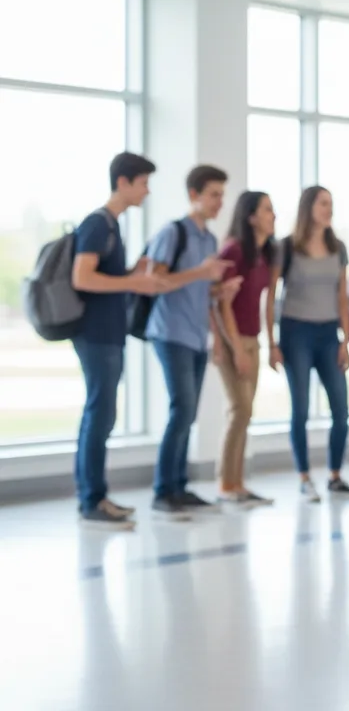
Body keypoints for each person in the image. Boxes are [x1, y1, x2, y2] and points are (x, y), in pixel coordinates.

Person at [69, 152, 170, 530]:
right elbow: (82, 277)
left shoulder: (112, 226)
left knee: (102, 415)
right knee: (100, 414)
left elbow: (106, 280)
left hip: (109, 333)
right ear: (123, 182)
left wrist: (131, 274)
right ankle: (91, 500)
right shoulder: (98, 224)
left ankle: (96, 495)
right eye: (143, 183)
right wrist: (133, 281)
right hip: (95, 335)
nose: (147, 191)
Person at [144, 165, 239, 518]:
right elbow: (154, 281)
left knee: (188, 413)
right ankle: (163, 490)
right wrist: (201, 272)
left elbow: (201, 292)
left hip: (197, 336)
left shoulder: (210, 241)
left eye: (221, 195)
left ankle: (179, 487)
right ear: (194, 195)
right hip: (171, 333)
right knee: (181, 409)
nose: (219, 202)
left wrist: (219, 292)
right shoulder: (173, 233)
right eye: (213, 194)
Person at [271, 185, 349, 503]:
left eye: (331, 204)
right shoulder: (287, 247)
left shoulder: (338, 247)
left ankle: (335, 476)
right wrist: (271, 342)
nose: (329, 209)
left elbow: (341, 296)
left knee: (341, 409)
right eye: (323, 203)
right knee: (300, 409)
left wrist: (345, 340)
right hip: (295, 332)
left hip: (328, 335)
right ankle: (304, 477)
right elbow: (271, 295)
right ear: (308, 207)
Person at [212, 190, 277, 507]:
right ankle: (226, 484)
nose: (273, 215)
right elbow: (220, 302)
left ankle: (238, 483)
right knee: (239, 409)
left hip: (253, 339)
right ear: (251, 216)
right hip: (233, 340)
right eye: (267, 210)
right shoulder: (233, 250)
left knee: (246, 412)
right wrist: (235, 348)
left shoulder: (263, 255)